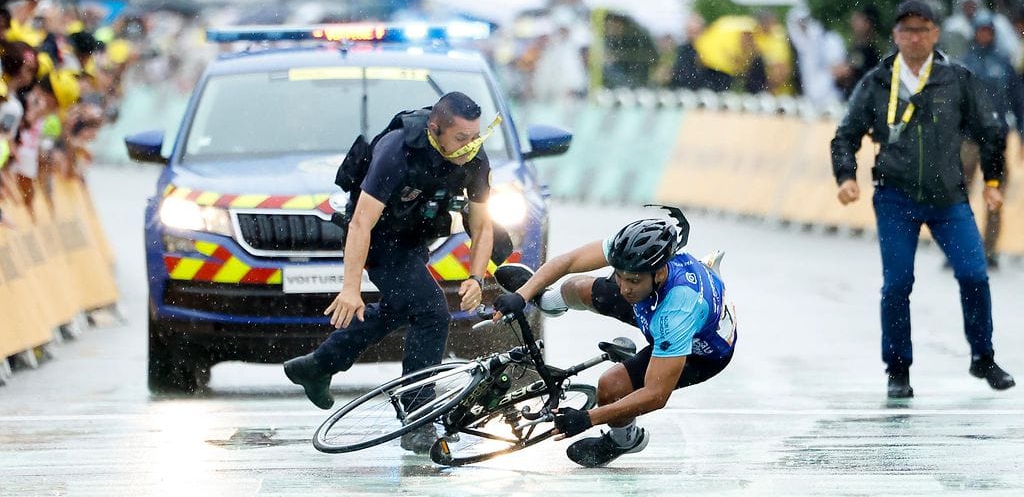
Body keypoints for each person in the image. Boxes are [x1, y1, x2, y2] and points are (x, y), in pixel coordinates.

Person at [283, 91, 495, 453]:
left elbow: (483, 225)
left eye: (475, 137)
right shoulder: (398, 150)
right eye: (461, 139)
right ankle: (417, 419)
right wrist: (350, 289)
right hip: (376, 239)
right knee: (431, 312)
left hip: (413, 238)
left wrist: (476, 277)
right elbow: (361, 223)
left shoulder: (473, 157)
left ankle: (318, 365)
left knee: (402, 307)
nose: (469, 146)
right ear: (434, 129)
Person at [830, 0, 1015, 399]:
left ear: (935, 33)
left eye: (923, 29)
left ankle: (982, 356)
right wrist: (846, 177)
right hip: (895, 197)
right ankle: (898, 369)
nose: (915, 37)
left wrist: (995, 182)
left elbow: (990, 130)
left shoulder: (958, 78)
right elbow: (845, 135)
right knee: (897, 284)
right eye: (907, 30)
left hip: (948, 198)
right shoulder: (877, 81)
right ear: (895, 35)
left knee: (974, 274)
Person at [493, 206, 736, 468]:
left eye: (632, 280)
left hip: (700, 352)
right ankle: (549, 301)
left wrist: (589, 417)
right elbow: (570, 261)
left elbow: (656, 394)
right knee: (579, 287)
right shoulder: (632, 255)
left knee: (611, 387)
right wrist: (524, 295)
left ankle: (624, 441)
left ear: (660, 272)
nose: (624, 288)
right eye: (619, 277)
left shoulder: (677, 312)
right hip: (656, 306)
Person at [961, 13, 1024, 269]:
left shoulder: (1004, 64)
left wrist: (1022, 133)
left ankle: (989, 250)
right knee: (959, 195)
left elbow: (1018, 101)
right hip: (968, 139)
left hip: (995, 138)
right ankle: (958, 246)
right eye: (981, 30)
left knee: (994, 193)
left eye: (988, 30)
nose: (984, 35)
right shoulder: (964, 63)